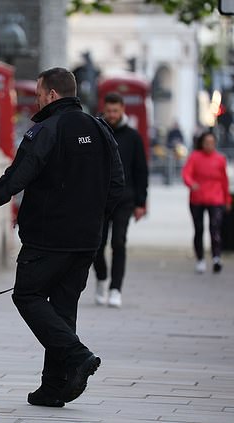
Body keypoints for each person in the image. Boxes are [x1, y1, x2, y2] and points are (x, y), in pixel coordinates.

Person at [0, 68, 125, 407]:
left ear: (53, 95)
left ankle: (77, 355)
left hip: (47, 239)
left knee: (27, 296)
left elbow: (14, 180)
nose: (36, 99)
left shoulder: (46, 130)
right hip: (86, 240)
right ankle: (54, 388)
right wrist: (92, 220)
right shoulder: (100, 129)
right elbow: (117, 184)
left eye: (40, 93)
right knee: (62, 309)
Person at [93, 93, 148, 308]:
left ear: (123, 109)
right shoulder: (97, 132)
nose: (113, 115)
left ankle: (116, 289)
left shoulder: (133, 137)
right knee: (97, 244)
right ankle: (102, 278)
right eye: (109, 111)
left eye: (116, 111)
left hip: (125, 199)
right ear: (104, 110)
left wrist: (141, 203)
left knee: (119, 242)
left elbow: (140, 170)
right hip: (100, 199)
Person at [182, 131, 232, 273]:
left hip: (216, 198)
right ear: (202, 143)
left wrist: (227, 199)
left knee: (215, 228)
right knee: (199, 229)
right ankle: (200, 258)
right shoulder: (195, 157)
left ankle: (216, 257)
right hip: (197, 198)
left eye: (212, 143)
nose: (209, 145)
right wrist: (191, 183)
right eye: (206, 143)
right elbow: (186, 173)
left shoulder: (220, 159)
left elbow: (224, 181)